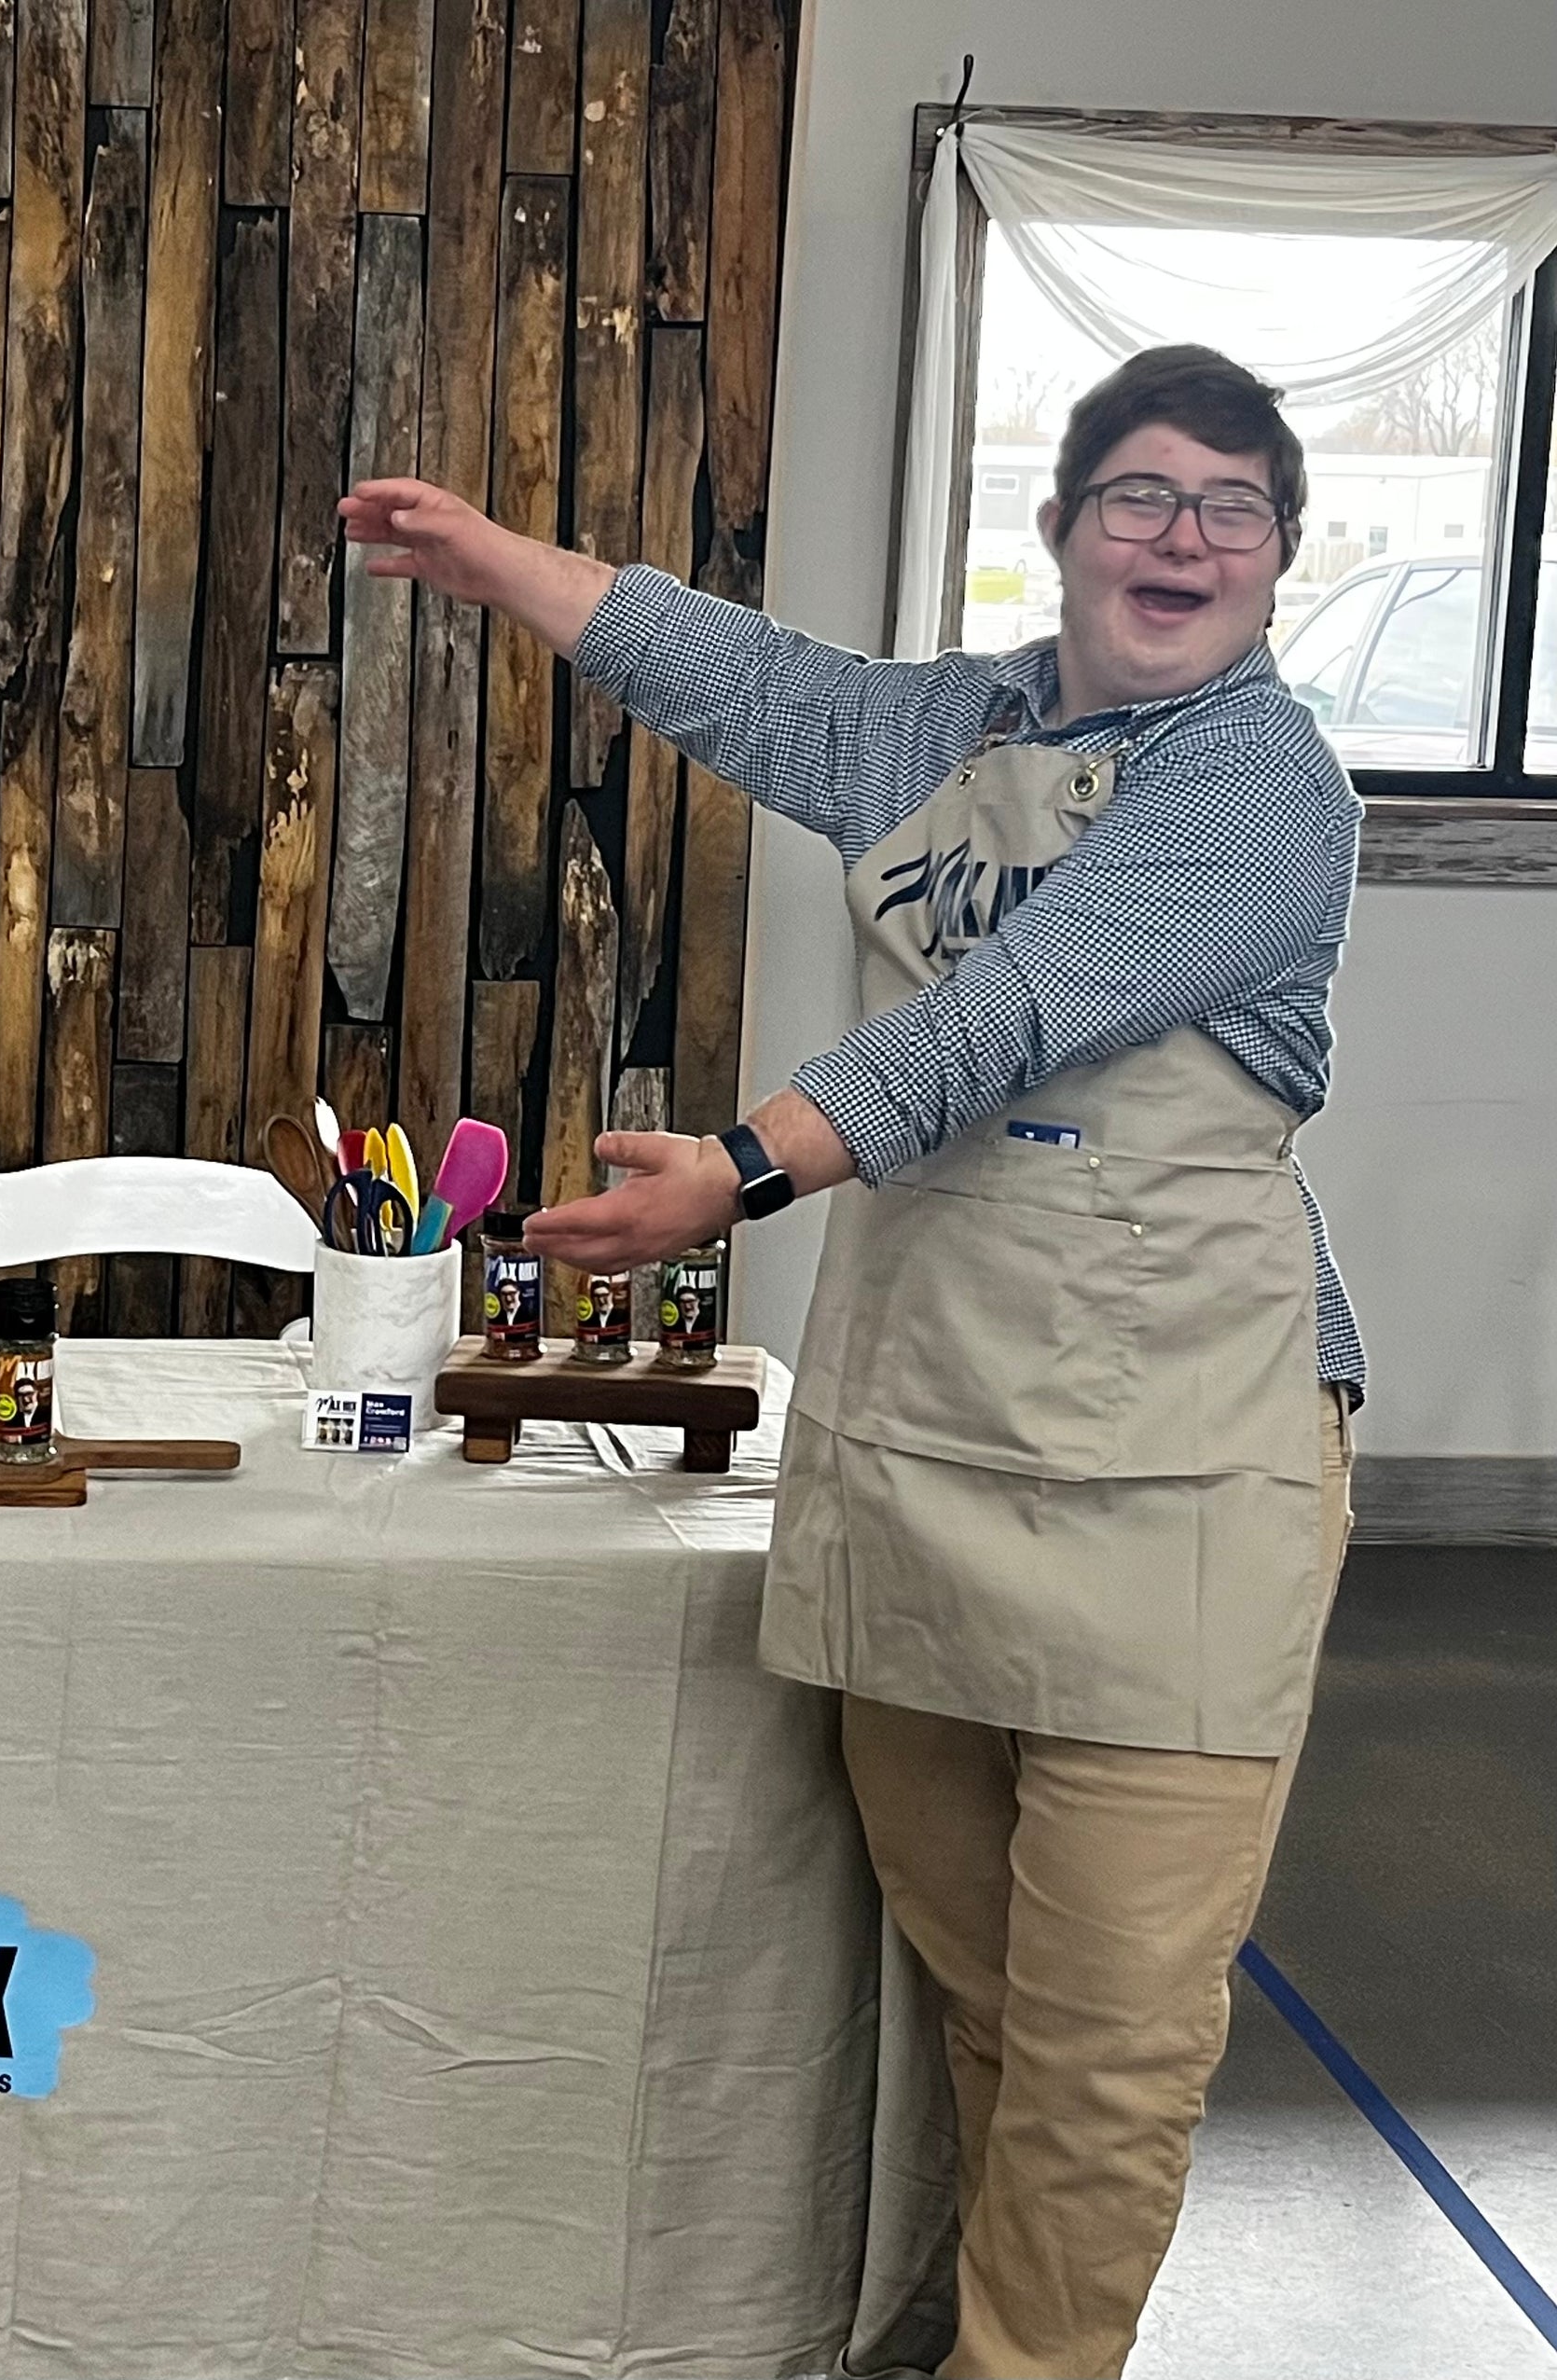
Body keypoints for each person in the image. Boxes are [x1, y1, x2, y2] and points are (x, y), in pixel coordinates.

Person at [344, 344, 1361, 2380]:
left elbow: (1014, 1010)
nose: (1183, 538)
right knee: (989, 1992)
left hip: (1179, 1477)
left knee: (1111, 2044)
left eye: (1232, 508)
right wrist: (500, 564)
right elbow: (759, 681)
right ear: (1062, 526)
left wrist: (739, 1165)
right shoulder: (958, 727)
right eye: (1141, 494)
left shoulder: (1264, 788)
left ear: (1277, 562)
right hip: (934, 1441)